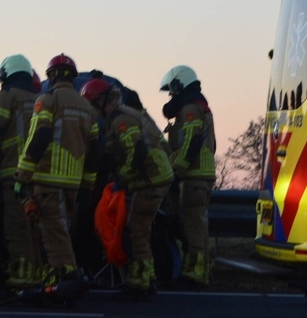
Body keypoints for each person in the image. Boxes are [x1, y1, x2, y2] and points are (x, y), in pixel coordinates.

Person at [14, 54, 100, 300]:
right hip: (73, 184)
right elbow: (95, 150)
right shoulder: (88, 108)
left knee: (52, 235)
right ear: (73, 78)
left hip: (46, 179)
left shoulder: (47, 100)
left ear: (50, 76)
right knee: (57, 234)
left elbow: (39, 136)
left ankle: (67, 280)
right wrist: (87, 183)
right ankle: (51, 282)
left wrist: (23, 174)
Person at [80, 78, 174, 301]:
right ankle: (145, 279)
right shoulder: (119, 116)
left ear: (102, 101)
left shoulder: (121, 120)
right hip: (150, 179)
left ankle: (140, 284)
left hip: (152, 179)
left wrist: (123, 179)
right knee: (137, 229)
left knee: (136, 230)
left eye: (93, 105)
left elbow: (137, 152)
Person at [0, 55, 43, 290]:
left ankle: (21, 278)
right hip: (38, 175)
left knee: (16, 226)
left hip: (12, 173)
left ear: (7, 73)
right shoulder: (39, 99)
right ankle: (36, 275)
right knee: (35, 226)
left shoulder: (8, 95)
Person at [160, 65, 216, 287]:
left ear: (180, 84)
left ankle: (193, 274)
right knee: (199, 226)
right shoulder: (199, 106)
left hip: (193, 176)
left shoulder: (190, 108)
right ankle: (201, 271)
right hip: (201, 175)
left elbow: (192, 140)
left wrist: (177, 169)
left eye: (172, 90)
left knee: (192, 226)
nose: (171, 95)